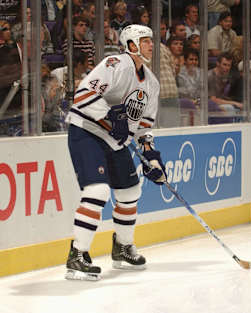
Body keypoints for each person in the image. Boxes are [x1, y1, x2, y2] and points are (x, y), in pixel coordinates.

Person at [64, 24, 164, 281]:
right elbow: (83, 95)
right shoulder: (114, 64)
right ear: (131, 44)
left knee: (131, 191)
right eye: (145, 40)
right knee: (97, 191)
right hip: (86, 131)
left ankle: (122, 248)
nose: (151, 45)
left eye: (151, 40)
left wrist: (150, 154)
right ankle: (78, 254)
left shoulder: (152, 83)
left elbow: (144, 126)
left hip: (115, 140)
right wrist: (111, 118)